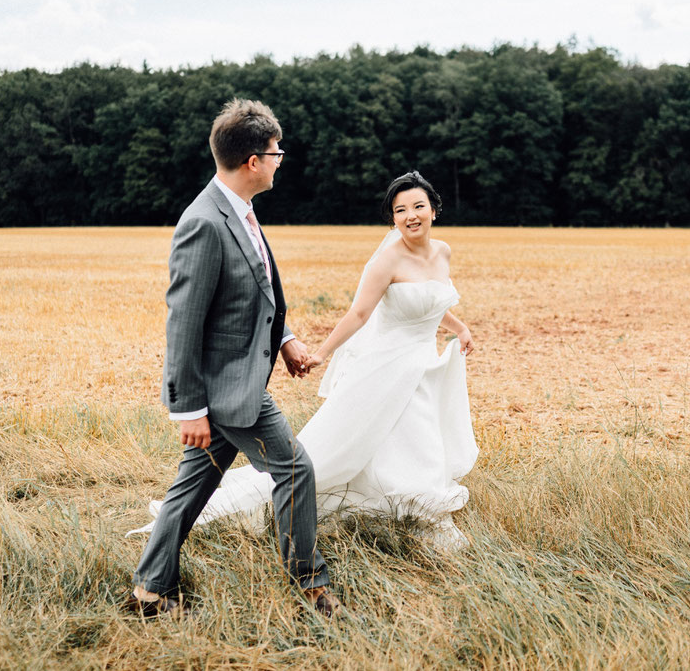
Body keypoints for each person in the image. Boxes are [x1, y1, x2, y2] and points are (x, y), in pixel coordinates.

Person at [132, 171, 479, 549]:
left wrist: (459, 327)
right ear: (392, 218)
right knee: (342, 447)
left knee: (415, 438)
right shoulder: (386, 261)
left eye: (418, 206)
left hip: (423, 362)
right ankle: (410, 510)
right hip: (388, 366)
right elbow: (359, 315)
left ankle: (412, 507)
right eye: (400, 210)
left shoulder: (442, 251)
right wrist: (322, 354)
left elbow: (430, 302)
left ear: (433, 209)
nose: (410, 215)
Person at [124, 99, 340, 619]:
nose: (280, 159)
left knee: (192, 488)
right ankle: (309, 587)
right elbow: (185, 322)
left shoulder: (239, 210)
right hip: (223, 391)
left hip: (233, 382)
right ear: (252, 161)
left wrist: (284, 338)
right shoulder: (203, 222)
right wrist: (188, 409)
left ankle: (150, 591)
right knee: (296, 470)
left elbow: (253, 292)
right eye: (275, 152)